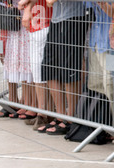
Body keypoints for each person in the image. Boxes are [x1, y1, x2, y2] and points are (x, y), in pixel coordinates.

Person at [37, 0, 89, 135]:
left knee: (69, 68)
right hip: (56, 19)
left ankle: (71, 117)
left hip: (73, 18)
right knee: (49, 66)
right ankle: (60, 115)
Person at [21, 0, 54, 129]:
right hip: (36, 25)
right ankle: (43, 111)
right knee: (36, 70)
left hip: (45, 23)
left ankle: (45, 112)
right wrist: (28, 8)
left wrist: (27, 7)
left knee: (44, 71)